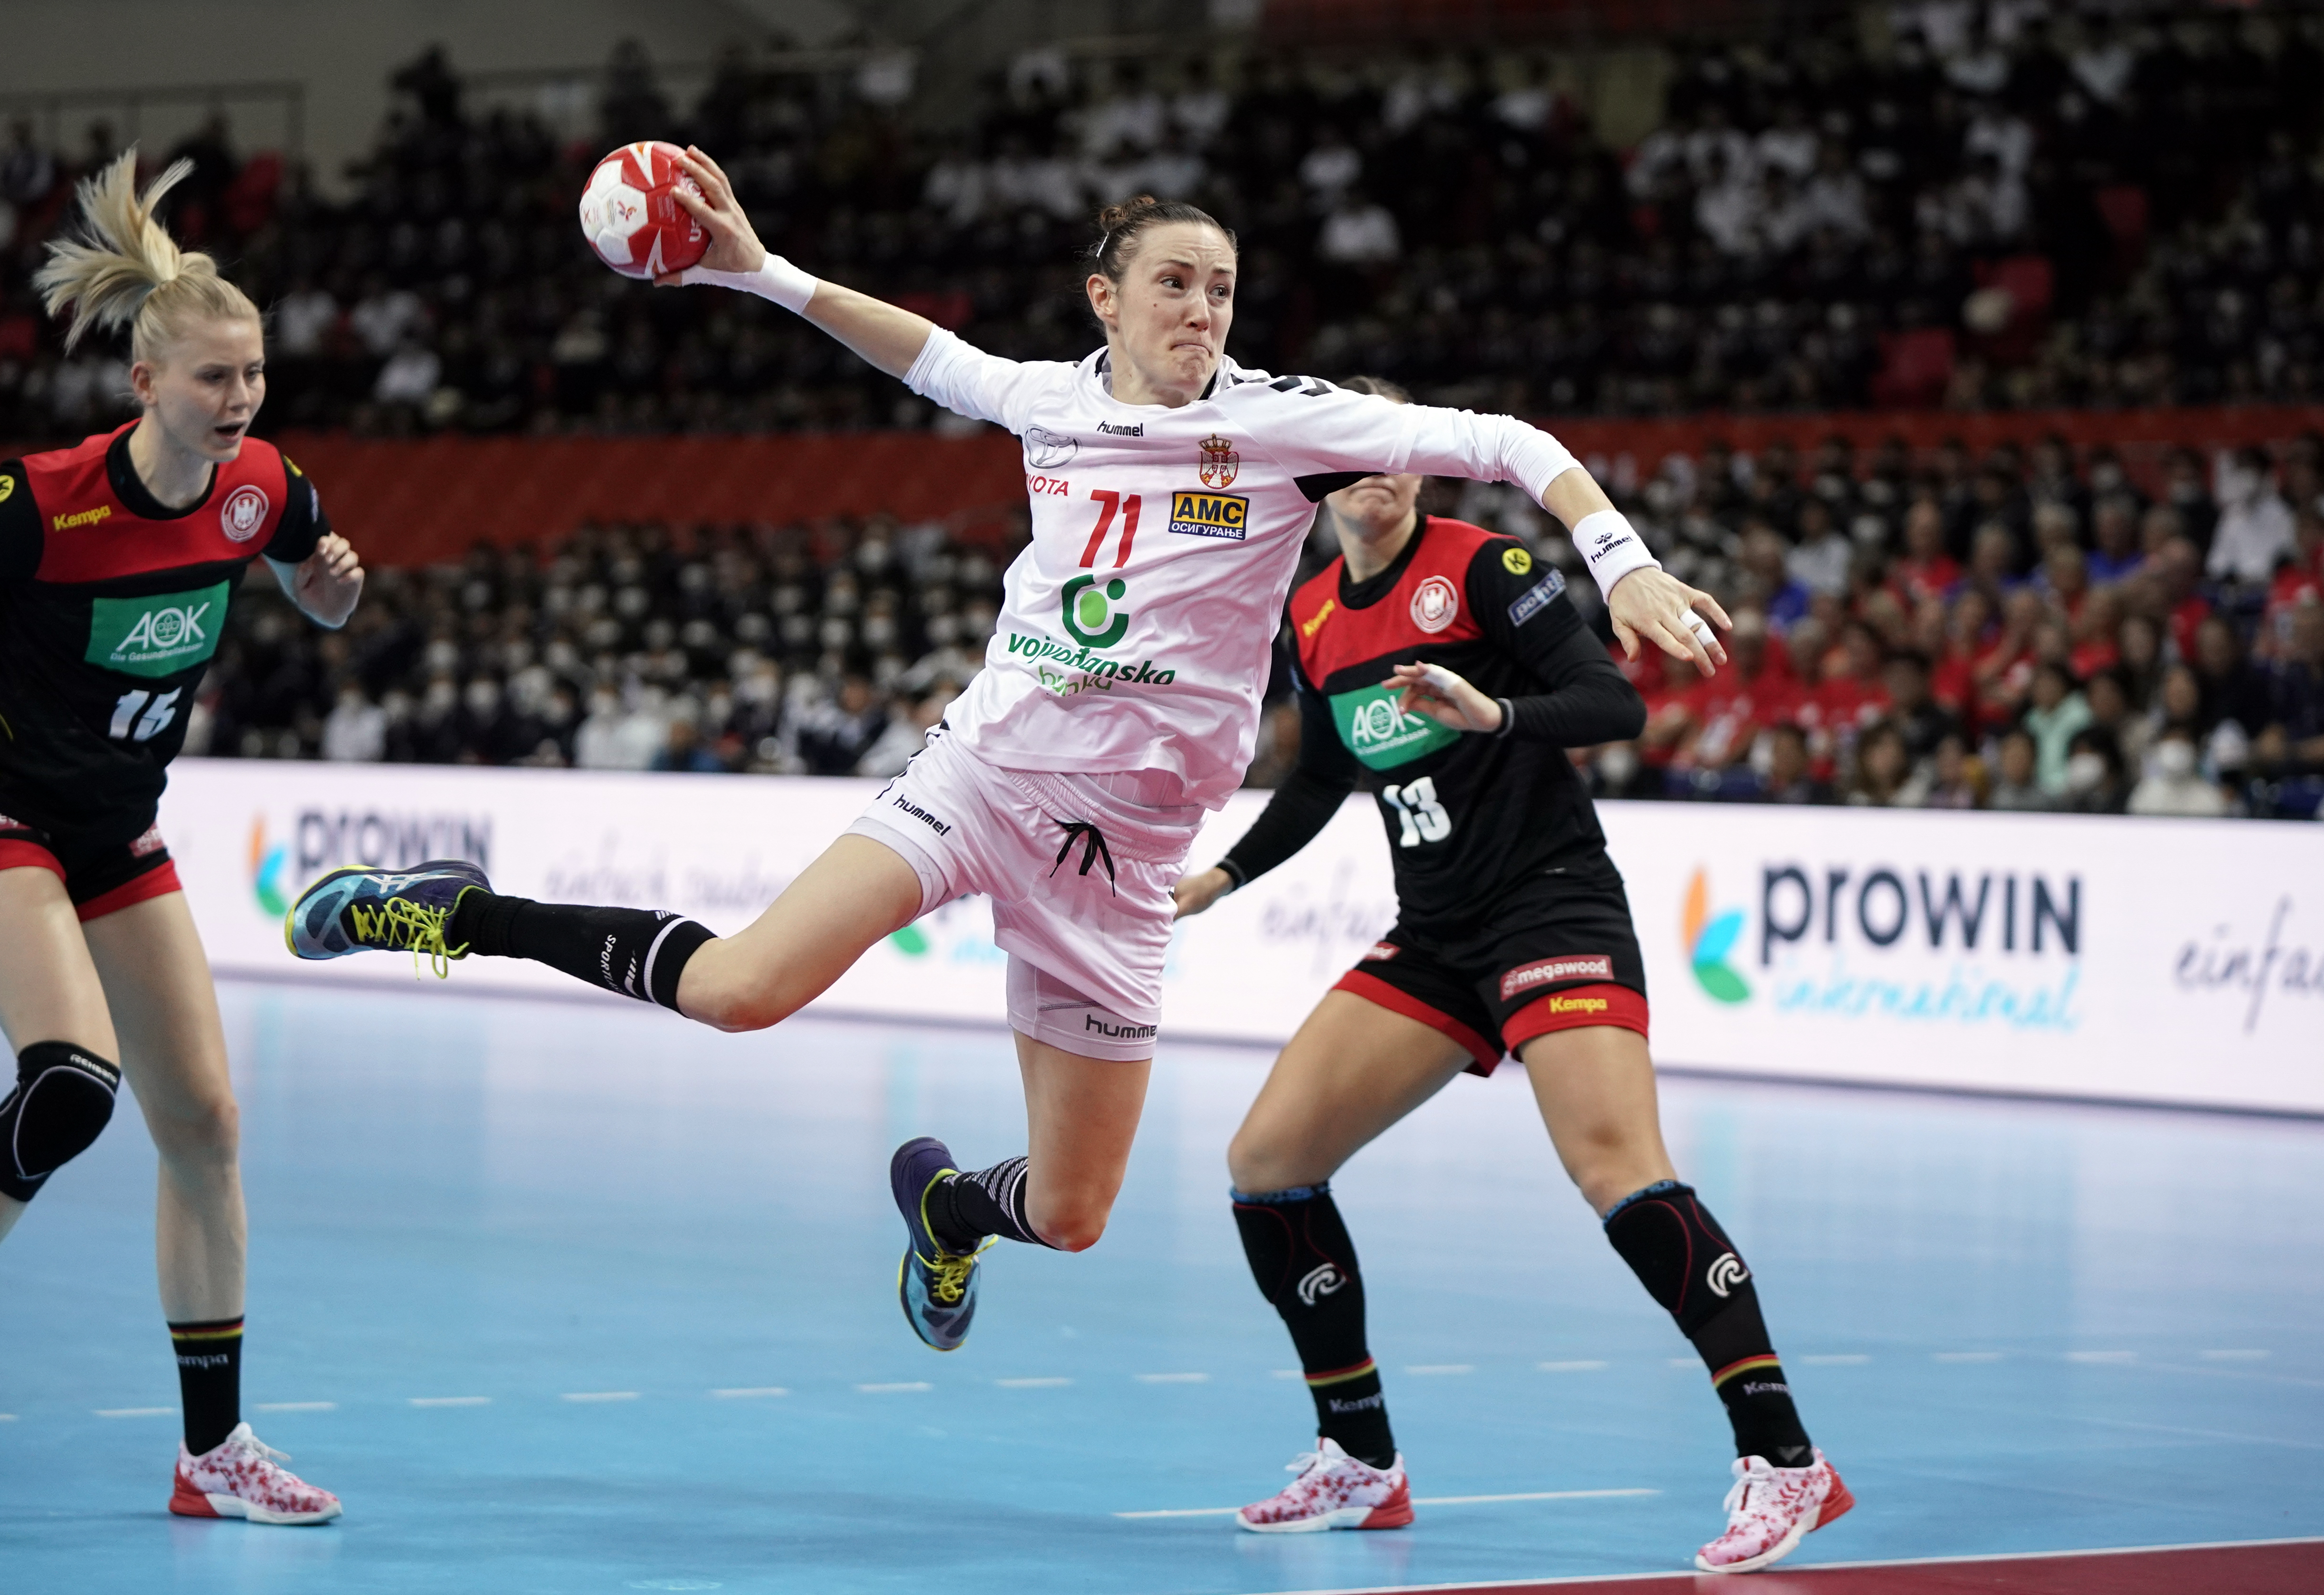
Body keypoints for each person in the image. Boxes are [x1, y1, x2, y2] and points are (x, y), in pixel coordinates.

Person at [285, 158, 1732, 1353]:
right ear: (1103, 296)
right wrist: (758, 271)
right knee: (739, 988)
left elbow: (1505, 437)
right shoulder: (1046, 400)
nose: (1201, 308)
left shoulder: (1281, 426)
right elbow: (922, 354)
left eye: (1220, 287)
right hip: (984, 778)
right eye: (1173, 281)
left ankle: (950, 1214)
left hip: (1124, 862)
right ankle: (456, 911)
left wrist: (1616, 561)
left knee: (1075, 1209)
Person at [1172, 380, 1848, 1574]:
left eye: (1395, 451)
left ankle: (1785, 1460)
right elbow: (1322, 777)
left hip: (1549, 906)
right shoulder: (1316, 612)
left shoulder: (1481, 567)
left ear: (1420, 469)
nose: (1374, 469)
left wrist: (1493, 710)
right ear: (1320, 475)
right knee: (1266, 1164)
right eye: (1351, 453)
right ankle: (1361, 1461)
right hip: (1435, 937)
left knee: (1617, 1172)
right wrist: (1215, 880)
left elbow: (1612, 700)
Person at [2, 152, 360, 1524]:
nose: (241, 400)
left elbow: (315, 593)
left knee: (204, 1122)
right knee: (69, 1084)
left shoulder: (262, 485)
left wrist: (328, 595)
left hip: (116, 832)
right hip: (11, 816)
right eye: (214, 380)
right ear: (144, 384)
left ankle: (215, 1455)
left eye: (254, 374)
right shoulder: (42, 504)